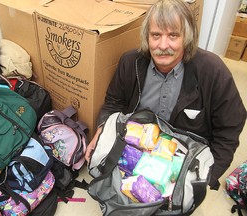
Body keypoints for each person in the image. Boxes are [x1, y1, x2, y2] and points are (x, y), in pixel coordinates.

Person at [85, 0, 246, 190]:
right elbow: (113, 104)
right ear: (147, 37)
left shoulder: (212, 71)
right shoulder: (130, 63)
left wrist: (207, 176)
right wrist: (101, 131)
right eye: (156, 35)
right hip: (135, 150)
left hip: (183, 160)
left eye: (173, 35)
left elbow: (229, 129)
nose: (163, 45)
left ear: (187, 37)